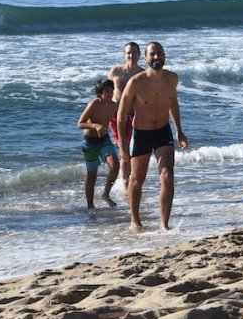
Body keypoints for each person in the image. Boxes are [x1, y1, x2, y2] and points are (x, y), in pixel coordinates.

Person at [117, 41, 188, 232]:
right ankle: (135, 221)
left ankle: (164, 224)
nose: (157, 57)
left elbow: (172, 102)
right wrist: (123, 145)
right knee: (136, 180)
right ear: (146, 58)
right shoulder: (136, 82)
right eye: (153, 54)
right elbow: (121, 113)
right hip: (141, 133)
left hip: (163, 131)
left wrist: (179, 130)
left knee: (167, 176)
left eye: (160, 53)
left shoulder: (172, 79)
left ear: (164, 55)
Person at [77, 79, 120, 208]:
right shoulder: (94, 104)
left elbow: (119, 122)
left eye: (111, 90)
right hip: (89, 142)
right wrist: (95, 125)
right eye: (106, 91)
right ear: (99, 93)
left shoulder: (114, 106)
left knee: (115, 167)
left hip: (104, 140)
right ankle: (90, 206)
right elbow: (80, 124)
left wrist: (121, 138)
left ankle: (105, 194)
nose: (110, 93)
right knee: (92, 177)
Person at [108, 42, 144, 185]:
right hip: (116, 116)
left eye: (134, 52)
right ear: (124, 55)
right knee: (123, 149)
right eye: (129, 52)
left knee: (133, 150)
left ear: (140, 55)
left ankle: (131, 180)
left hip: (134, 116)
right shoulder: (115, 72)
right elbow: (105, 93)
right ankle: (124, 183)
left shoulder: (142, 74)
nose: (131, 55)